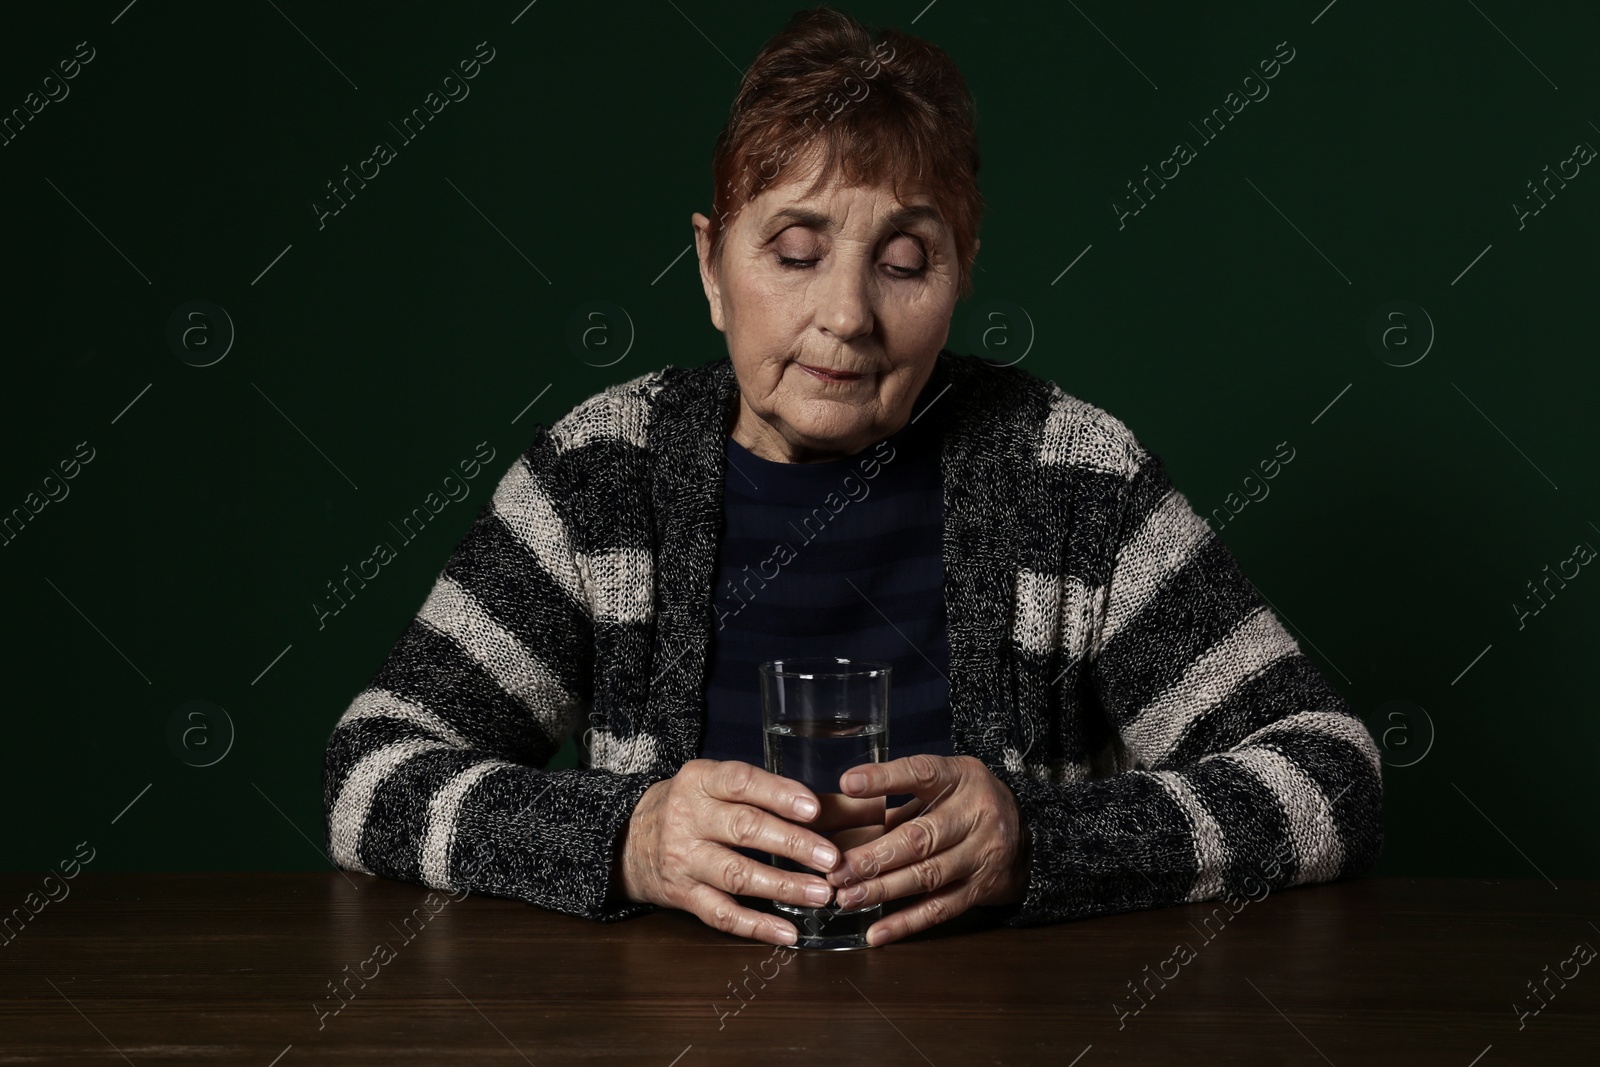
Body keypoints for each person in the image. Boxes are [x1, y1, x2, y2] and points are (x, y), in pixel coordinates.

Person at [321, 6, 1382, 950]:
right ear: (710, 268)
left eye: (905, 259)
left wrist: (1034, 839)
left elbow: (1328, 773)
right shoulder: (605, 473)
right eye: (794, 249)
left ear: (960, 272)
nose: (846, 314)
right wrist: (629, 838)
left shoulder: (1070, 481)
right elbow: (371, 770)